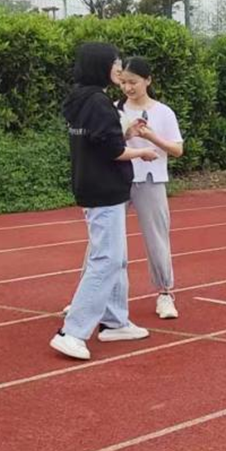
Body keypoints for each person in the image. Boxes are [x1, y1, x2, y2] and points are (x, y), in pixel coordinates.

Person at [50, 43, 159, 361]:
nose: (119, 69)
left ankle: (114, 321)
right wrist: (141, 151)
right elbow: (112, 151)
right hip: (104, 189)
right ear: (100, 65)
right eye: (115, 64)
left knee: (116, 257)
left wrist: (125, 134)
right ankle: (72, 332)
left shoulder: (80, 98)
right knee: (107, 260)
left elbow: (99, 141)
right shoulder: (99, 102)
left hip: (93, 185)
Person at [118, 56, 184, 320]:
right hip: (118, 179)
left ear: (147, 80)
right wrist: (128, 134)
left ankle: (165, 293)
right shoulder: (115, 109)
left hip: (150, 180)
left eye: (133, 82)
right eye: (123, 82)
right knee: (103, 239)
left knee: (157, 237)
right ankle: (89, 296)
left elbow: (177, 150)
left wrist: (151, 136)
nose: (127, 88)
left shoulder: (163, 112)